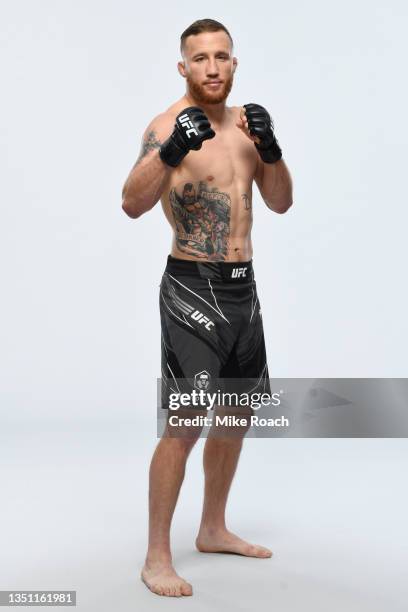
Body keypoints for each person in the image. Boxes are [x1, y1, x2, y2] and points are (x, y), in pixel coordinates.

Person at [122, 18, 293, 598]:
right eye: (200, 58)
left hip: (244, 289)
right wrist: (170, 152)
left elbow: (280, 201)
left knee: (237, 414)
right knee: (186, 423)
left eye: (221, 56)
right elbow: (131, 203)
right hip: (192, 286)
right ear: (183, 66)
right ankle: (155, 557)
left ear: (234, 63)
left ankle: (214, 527)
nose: (213, 67)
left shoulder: (248, 126)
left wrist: (272, 149)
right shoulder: (166, 127)